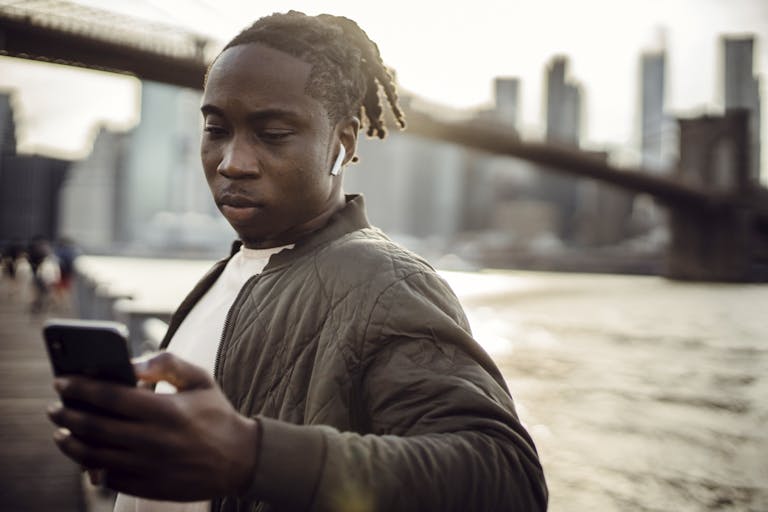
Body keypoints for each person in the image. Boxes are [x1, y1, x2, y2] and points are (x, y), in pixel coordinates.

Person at [47, 11, 547, 512]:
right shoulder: (226, 275)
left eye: (273, 133)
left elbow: (506, 478)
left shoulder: (387, 283)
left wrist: (250, 456)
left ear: (342, 144)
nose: (232, 162)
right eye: (217, 129)